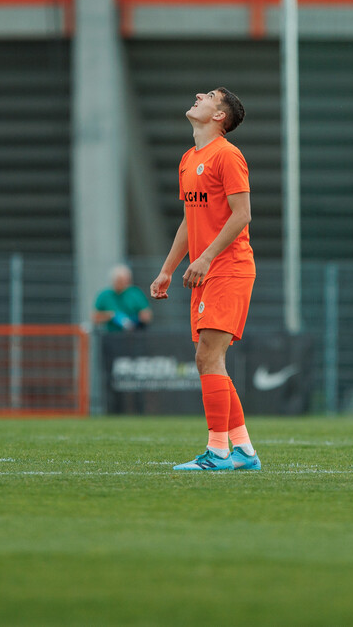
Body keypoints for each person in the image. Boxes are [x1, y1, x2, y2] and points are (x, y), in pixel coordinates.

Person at [150, 87, 259, 471]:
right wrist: (168, 269)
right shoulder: (188, 159)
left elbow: (242, 214)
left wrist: (207, 257)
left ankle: (218, 452)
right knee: (210, 360)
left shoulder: (228, 155)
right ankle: (243, 451)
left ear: (219, 116)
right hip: (207, 272)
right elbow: (189, 219)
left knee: (208, 357)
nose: (199, 95)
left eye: (210, 95)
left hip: (229, 268)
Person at [93, 264, 152, 331]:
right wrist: (112, 316)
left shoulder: (135, 293)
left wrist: (135, 319)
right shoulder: (104, 295)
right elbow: (95, 317)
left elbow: (147, 315)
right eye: (119, 281)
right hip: (112, 335)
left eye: (125, 281)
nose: (123, 284)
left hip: (133, 335)